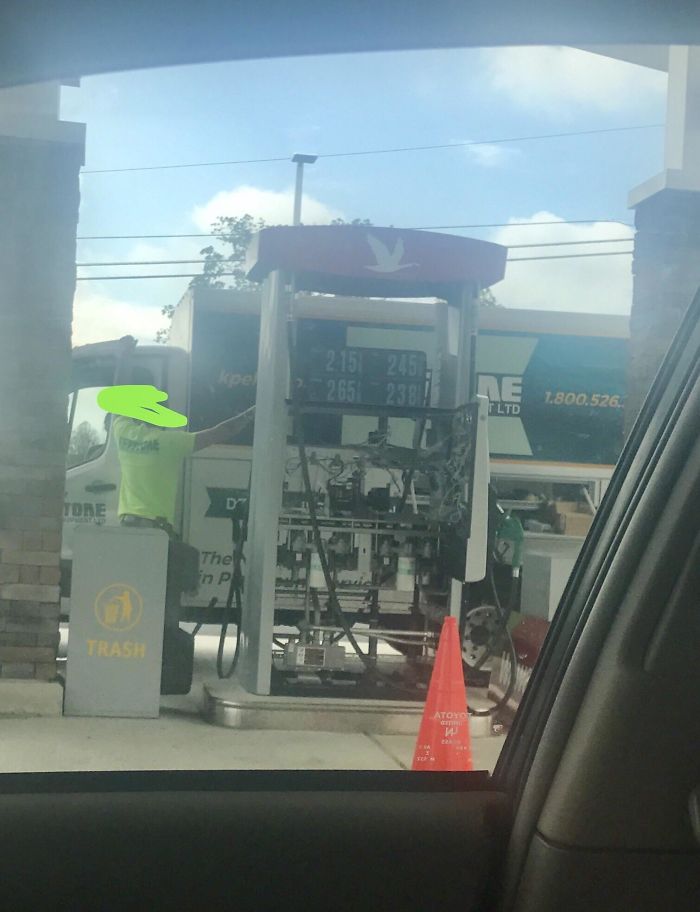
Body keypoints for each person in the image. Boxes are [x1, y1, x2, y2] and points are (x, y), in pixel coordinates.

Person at [113, 366, 255, 536]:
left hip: (128, 524)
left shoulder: (123, 432)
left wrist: (124, 358)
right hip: (155, 528)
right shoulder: (170, 442)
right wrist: (251, 413)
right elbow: (220, 432)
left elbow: (118, 396)